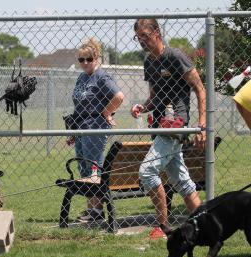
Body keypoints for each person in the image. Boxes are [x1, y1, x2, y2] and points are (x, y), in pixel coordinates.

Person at [130, 19, 206, 239]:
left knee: (147, 171)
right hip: (159, 125)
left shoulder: (175, 57)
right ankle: (205, 225)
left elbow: (200, 89)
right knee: (183, 182)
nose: (142, 41)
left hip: (176, 125)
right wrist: (142, 107)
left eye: (145, 35)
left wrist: (202, 124)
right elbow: (154, 98)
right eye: (138, 37)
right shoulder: (148, 63)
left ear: (157, 32)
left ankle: (163, 229)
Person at [68, 37, 124, 222]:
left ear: (96, 58)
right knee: (83, 167)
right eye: (81, 60)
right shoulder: (82, 77)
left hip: (95, 127)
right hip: (81, 127)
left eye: (88, 59)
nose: (85, 63)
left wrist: (107, 112)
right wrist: (73, 131)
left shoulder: (102, 77)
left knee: (93, 168)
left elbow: (119, 96)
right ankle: (90, 209)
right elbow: (78, 106)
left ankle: (97, 211)